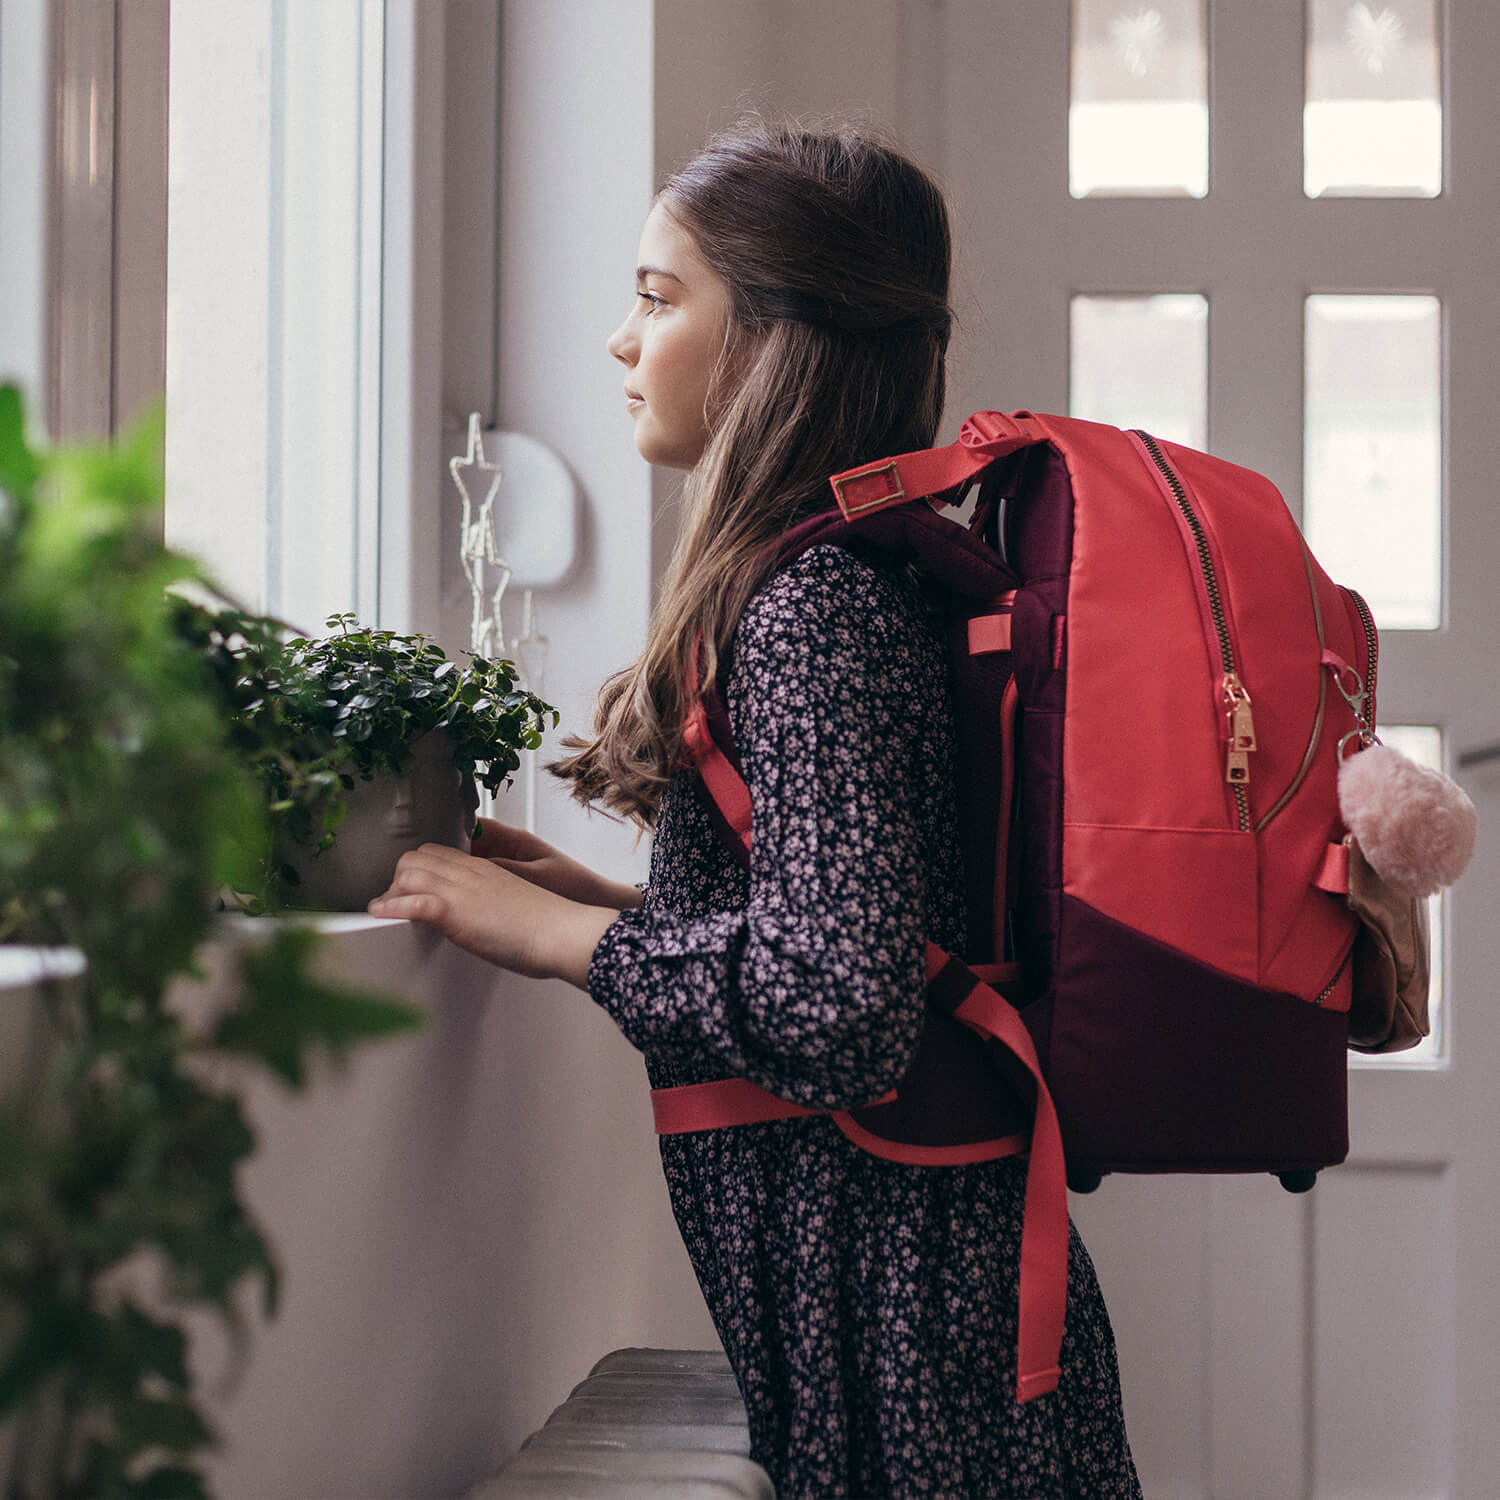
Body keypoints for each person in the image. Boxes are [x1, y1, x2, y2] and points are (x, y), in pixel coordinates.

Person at [368, 119, 1140, 1500]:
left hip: (915, 1349)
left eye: (661, 298)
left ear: (777, 338)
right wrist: (611, 901)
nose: (620, 340)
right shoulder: (862, 576)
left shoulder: (812, 608)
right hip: (927, 1317)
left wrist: (567, 944)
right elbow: (869, 921)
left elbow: (839, 1003)